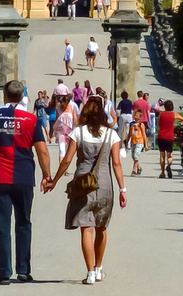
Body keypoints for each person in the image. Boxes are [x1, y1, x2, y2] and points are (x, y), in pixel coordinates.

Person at [0, 80, 53, 285]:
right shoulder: (31, 119)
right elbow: (42, 150)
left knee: (1, 225)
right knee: (24, 223)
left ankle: (3, 273)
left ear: (5, 97)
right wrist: (47, 174)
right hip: (24, 176)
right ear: (22, 96)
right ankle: (24, 270)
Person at [43, 95, 126, 285]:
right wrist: (123, 189)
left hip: (83, 183)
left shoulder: (78, 133)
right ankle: (98, 268)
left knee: (86, 229)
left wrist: (54, 180)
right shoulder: (111, 134)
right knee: (102, 227)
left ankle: (89, 272)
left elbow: (67, 160)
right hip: (104, 184)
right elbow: (116, 163)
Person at [154, 99, 183, 178]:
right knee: (169, 155)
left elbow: (158, 124)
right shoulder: (174, 114)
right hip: (169, 137)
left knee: (162, 155)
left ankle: (163, 172)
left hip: (161, 136)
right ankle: (169, 165)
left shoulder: (161, 114)